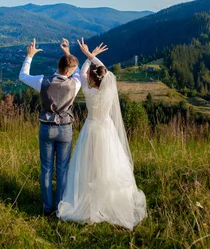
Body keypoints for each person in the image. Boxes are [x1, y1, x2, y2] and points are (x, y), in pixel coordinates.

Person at [57, 38, 147, 230]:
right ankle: (108, 200)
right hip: (106, 129)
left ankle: (89, 201)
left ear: (91, 78)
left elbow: (80, 72)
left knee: (88, 165)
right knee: (108, 164)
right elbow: (104, 71)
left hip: (91, 129)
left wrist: (86, 56)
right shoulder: (108, 88)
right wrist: (92, 55)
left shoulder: (88, 92)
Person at [18, 38, 81, 216]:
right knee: (62, 169)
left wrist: (29, 57)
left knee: (46, 169)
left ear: (59, 66)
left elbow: (22, 76)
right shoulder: (74, 84)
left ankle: (47, 208)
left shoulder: (43, 81)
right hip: (65, 129)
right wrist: (67, 52)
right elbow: (77, 71)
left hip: (46, 127)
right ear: (68, 70)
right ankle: (60, 207)